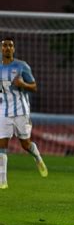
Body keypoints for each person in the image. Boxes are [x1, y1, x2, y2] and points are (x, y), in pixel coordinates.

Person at [0, 37, 48, 189]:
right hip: (3, 111)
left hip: (21, 111)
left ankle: (38, 158)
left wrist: (22, 84)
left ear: (13, 49)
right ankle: (3, 181)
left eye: (10, 46)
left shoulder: (22, 66)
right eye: (4, 46)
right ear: (1, 49)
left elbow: (34, 87)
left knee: (25, 144)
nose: (7, 48)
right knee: (2, 145)